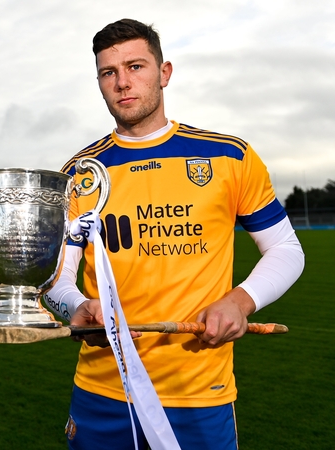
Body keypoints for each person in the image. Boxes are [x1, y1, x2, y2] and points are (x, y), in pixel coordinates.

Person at [45, 18, 305, 449]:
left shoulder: (228, 156)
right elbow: (55, 278)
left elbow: (285, 248)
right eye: (109, 72)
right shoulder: (79, 174)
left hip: (199, 394)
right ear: (99, 83)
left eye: (136, 67)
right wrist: (78, 305)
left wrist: (240, 301)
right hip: (103, 391)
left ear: (164, 73)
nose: (123, 82)